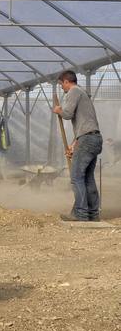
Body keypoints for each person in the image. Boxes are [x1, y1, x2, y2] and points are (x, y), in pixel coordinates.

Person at [53, 70, 102, 221]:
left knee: (76, 177)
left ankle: (80, 214)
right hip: (93, 139)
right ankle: (93, 214)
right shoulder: (82, 93)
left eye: (62, 85)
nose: (62, 88)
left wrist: (58, 109)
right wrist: (74, 145)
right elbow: (86, 126)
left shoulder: (74, 91)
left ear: (67, 82)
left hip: (87, 140)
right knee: (87, 177)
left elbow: (67, 114)